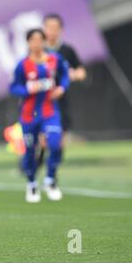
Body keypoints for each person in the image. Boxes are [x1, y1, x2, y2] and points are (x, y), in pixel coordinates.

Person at [10, 29, 70, 203]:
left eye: (39, 40)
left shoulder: (54, 59)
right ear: (28, 43)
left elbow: (65, 76)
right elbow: (14, 88)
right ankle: (32, 184)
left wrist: (61, 88)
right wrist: (28, 89)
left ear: (44, 42)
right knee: (29, 152)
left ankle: (50, 180)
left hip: (49, 111)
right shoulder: (22, 65)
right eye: (33, 40)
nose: (36, 43)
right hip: (29, 115)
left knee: (55, 143)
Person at [34, 14, 88, 167]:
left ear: (61, 30)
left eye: (55, 28)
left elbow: (81, 72)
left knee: (61, 132)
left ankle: (55, 161)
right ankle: (39, 158)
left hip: (60, 97)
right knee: (42, 133)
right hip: (41, 98)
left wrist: (72, 74)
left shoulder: (67, 50)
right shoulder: (38, 49)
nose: (52, 31)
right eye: (49, 28)